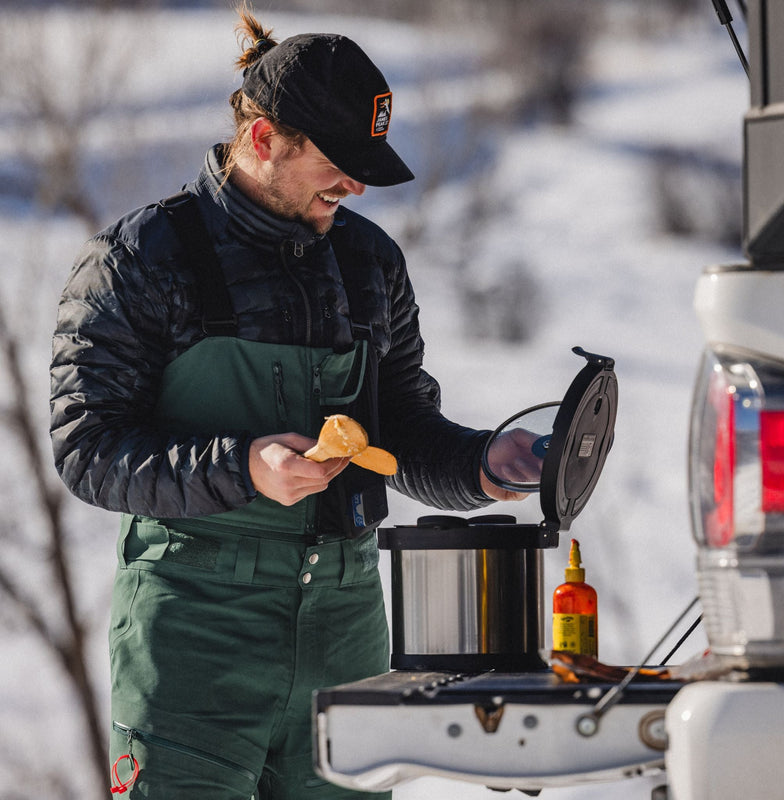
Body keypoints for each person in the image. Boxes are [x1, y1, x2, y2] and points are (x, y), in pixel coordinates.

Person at [49, 8, 533, 800]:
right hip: (194, 636)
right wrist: (245, 467)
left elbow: (403, 427)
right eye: (337, 165)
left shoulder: (371, 262)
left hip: (347, 630)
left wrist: (481, 465)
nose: (355, 186)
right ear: (265, 139)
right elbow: (87, 449)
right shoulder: (140, 260)